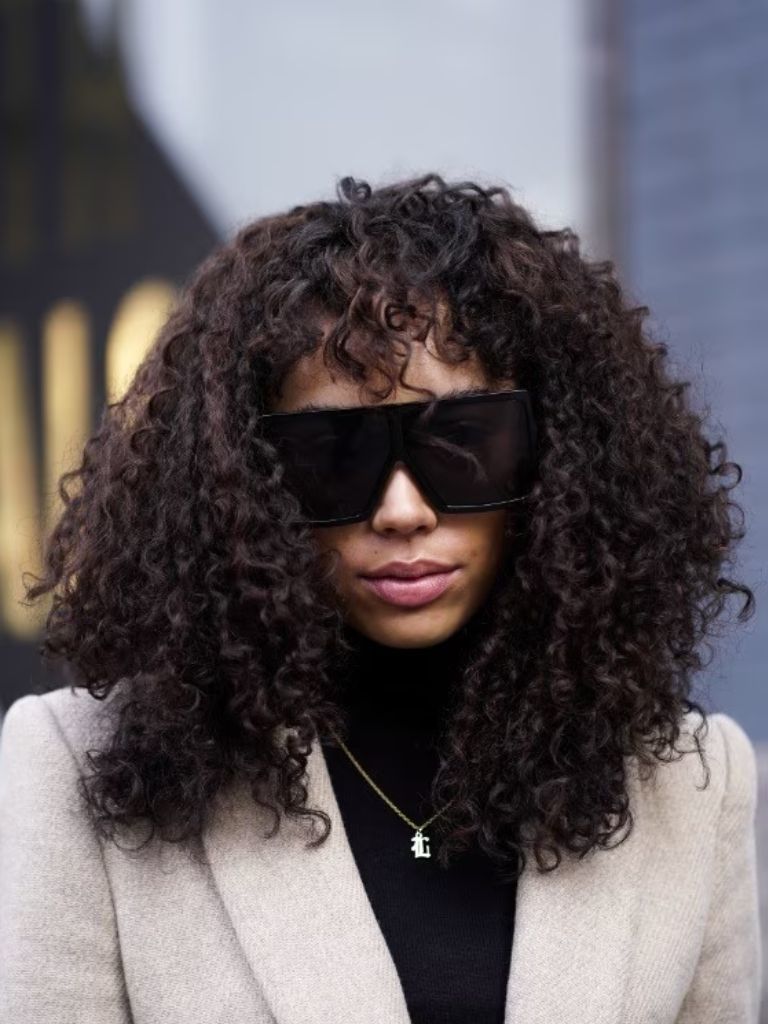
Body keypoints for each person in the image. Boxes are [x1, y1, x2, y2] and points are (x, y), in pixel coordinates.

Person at [0, 173, 761, 1024]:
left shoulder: (694, 784)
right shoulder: (79, 769)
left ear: (557, 464)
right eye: (336, 455)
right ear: (244, 485)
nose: (404, 510)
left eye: (463, 445)